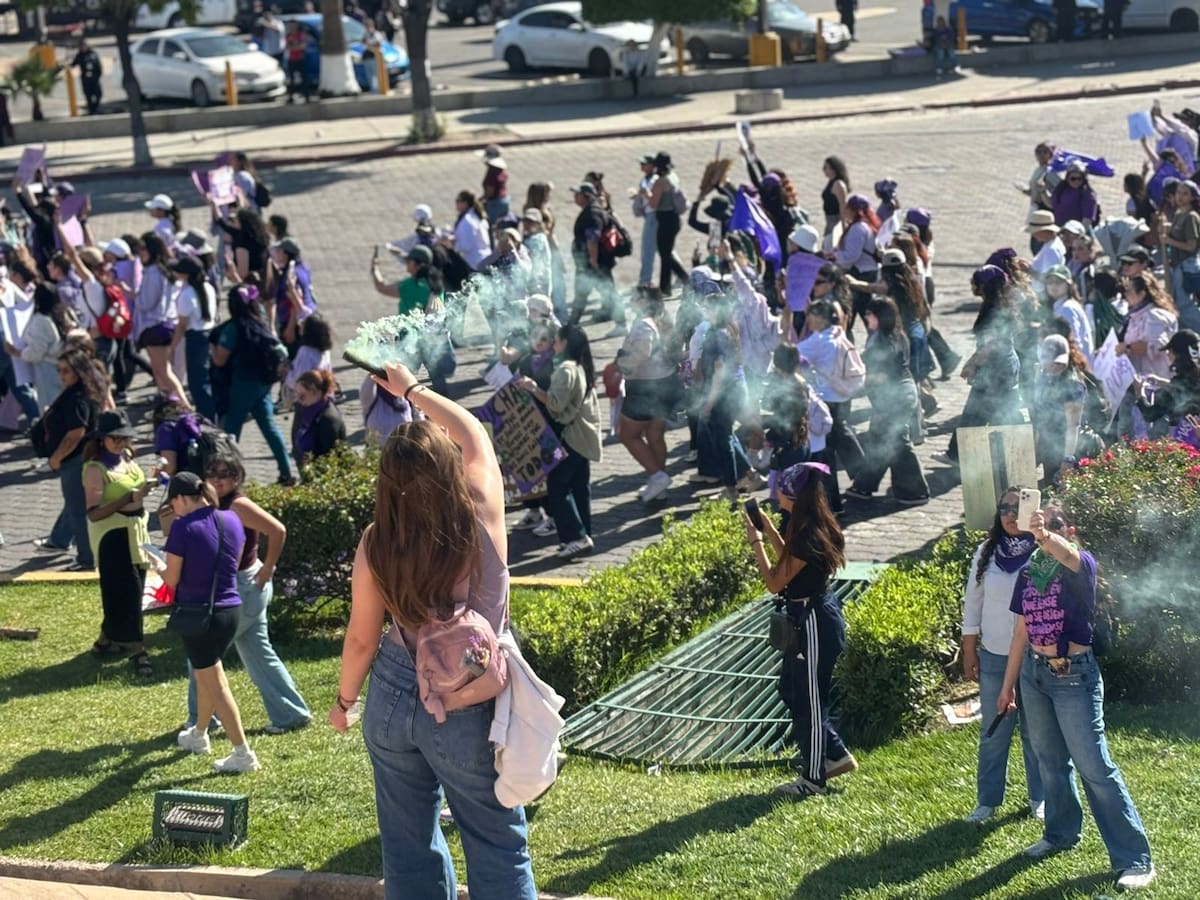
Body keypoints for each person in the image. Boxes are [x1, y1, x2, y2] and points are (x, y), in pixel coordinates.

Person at [330, 360, 538, 900]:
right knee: (496, 843)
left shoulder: (378, 541)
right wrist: (413, 390)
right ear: (449, 468)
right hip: (469, 697)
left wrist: (343, 701)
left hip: (395, 695)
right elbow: (473, 435)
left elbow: (360, 638)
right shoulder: (481, 512)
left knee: (407, 845)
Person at [998, 503, 1155, 890]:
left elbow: (1066, 555)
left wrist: (1043, 535)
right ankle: (1060, 833)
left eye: (1054, 523)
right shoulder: (1030, 571)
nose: (1045, 528)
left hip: (1073, 677)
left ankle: (1135, 859)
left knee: (1095, 767)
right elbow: (1021, 631)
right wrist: (1007, 686)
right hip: (1035, 676)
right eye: (1040, 522)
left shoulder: (1080, 565)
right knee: (1049, 760)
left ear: (1067, 529)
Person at [746, 460, 856, 797]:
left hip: (813, 622)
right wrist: (768, 528)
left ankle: (813, 779)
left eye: (781, 488)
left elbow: (775, 581)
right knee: (791, 691)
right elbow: (789, 563)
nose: (776, 492)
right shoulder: (806, 522)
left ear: (792, 494)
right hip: (808, 617)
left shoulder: (807, 534)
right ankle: (835, 755)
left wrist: (756, 543)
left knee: (809, 699)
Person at [182, 449, 311, 733]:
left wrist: (268, 569)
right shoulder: (212, 504)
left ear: (238, 477)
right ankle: (291, 714)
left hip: (244, 586)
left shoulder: (237, 505)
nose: (218, 480)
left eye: (226, 475)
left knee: (201, 655)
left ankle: (200, 721)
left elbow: (277, 531)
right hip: (242, 587)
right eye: (213, 474)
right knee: (258, 654)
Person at [165, 472, 261, 774]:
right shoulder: (232, 519)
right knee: (207, 672)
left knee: (215, 683)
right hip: (230, 610)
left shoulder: (182, 528)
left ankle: (242, 753)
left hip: (199, 615)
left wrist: (158, 564)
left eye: (173, 504)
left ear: (180, 499)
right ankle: (199, 734)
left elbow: (171, 578)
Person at [961, 488, 1045, 824]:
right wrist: (969, 647)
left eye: (1017, 507)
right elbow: (973, 602)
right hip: (994, 655)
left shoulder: (1043, 551)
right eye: (1004, 507)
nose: (1010, 514)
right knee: (994, 731)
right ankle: (987, 800)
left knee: (1036, 732)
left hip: (1036, 657)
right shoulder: (987, 551)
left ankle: (1041, 798)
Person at [517, 324, 601, 559]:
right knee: (579, 488)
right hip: (583, 437)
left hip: (569, 437)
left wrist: (534, 388)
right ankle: (583, 534)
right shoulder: (581, 366)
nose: (554, 343)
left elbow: (554, 406)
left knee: (558, 490)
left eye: (557, 340)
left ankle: (576, 537)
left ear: (565, 343)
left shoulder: (566, 369)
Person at [82, 411, 154, 676]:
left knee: (135, 586)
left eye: (125, 437)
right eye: (115, 438)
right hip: (112, 536)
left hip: (135, 531)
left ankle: (105, 640)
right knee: (129, 592)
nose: (121, 442)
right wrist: (129, 497)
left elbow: (136, 491)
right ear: (101, 439)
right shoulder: (94, 469)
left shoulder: (128, 458)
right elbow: (93, 512)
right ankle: (137, 649)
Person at [845, 297, 929, 504]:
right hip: (895, 396)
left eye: (869, 314)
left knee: (896, 441)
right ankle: (864, 485)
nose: (866, 318)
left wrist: (850, 386)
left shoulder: (885, 342)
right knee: (879, 439)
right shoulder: (890, 336)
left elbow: (878, 375)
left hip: (896, 398)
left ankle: (915, 491)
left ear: (879, 317)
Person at [211, 282, 295, 485]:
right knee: (270, 428)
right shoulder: (261, 324)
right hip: (263, 385)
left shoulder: (233, 329)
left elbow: (220, 360)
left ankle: (229, 477)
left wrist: (212, 350)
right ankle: (286, 473)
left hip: (242, 385)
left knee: (231, 431)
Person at [939, 266, 1023, 465]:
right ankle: (959, 454)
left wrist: (972, 363)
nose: (972, 286)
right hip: (1002, 367)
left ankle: (962, 455)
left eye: (975, 282)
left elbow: (991, 344)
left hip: (996, 369)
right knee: (990, 412)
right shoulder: (997, 305)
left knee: (980, 413)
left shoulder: (994, 309)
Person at [34, 348, 103, 569]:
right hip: (83, 458)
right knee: (74, 504)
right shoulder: (85, 391)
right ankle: (59, 540)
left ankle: (87, 559)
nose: (61, 375)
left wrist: (55, 458)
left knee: (78, 511)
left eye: (66, 371)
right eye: (59, 370)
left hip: (75, 461)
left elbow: (75, 434)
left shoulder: (76, 398)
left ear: (79, 372)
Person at [796, 298, 865, 512]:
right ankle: (865, 476)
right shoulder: (837, 332)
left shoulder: (819, 341)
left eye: (811, 316)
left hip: (827, 400)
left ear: (819, 318)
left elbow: (792, 353)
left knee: (826, 455)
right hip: (843, 398)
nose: (808, 320)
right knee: (842, 436)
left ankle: (832, 503)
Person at [617, 287, 677, 504]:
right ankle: (659, 484)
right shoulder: (661, 319)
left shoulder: (644, 325)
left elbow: (642, 352)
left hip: (645, 387)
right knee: (655, 434)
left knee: (627, 434)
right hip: (664, 383)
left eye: (635, 297)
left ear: (643, 301)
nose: (631, 300)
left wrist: (621, 364)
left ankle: (657, 476)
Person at [371, 244, 456, 394]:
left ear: (416, 264)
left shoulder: (410, 286)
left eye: (409, 261)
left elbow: (381, 287)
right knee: (438, 381)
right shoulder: (436, 284)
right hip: (431, 339)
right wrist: (401, 253)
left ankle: (407, 408)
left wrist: (374, 269)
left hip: (410, 341)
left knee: (404, 380)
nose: (406, 263)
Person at [695, 293, 753, 499]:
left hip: (724, 394)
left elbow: (719, 372)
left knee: (722, 440)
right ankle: (749, 474)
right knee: (728, 435)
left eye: (707, 307)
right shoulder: (728, 328)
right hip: (736, 389)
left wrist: (709, 403)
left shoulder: (716, 335)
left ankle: (730, 489)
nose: (703, 310)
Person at [133, 232, 189, 405]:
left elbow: (146, 303)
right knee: (159, 372)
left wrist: (135, 296)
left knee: (164, 372)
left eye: (143, 248)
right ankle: (169, 405)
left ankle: (185, 408)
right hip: (161, 326)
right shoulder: (161, 270)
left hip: (155, 326)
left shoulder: (153, 273)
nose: (140, 252)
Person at [4, 280, 73, 409]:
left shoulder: (41, 321)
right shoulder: (62, 314)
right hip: (63, 364)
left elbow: (36, 352)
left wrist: (16, 352)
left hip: (48, 369)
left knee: (51, 408)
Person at [1031, 335, 1085, 485]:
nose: (1054, 366)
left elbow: (1073, 426)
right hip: (1048, 445)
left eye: (1057, 362)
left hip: (1065, 447)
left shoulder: (1072, 385)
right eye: (1049, 361)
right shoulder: (1044, 378)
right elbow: (1040, 413)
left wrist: (1068, 459)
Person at [568, 182, 622, 332]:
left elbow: (593, 238)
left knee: (606, 293)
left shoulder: (592, 213)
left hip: (593, 264)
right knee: (590, 294)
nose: (575, 197)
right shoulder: (593, 210)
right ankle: (570, 326)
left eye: (577, 194)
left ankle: (621, 324)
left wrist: (593, 260)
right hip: (592, 263)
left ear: (586, 196)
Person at [168, 256, 216, 421]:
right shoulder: (208, 288)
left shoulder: (186, 295)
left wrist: (172, 347)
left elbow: (182, 325)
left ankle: (206, 418)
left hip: (195, 338)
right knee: (206, 378)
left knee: (197, 383)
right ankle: (210, 414)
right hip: (209, 334)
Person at [1116, 273, 1177, 380]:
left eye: (1129, 291)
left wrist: (1127, 347)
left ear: (1142, 294)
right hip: (1141, 378)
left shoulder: (1154, 316)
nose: (1125, 294)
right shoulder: (1134, 317)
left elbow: (1157, 346)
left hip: (1157, 378)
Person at [1136, 329, 1200, 430]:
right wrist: (1164, 382)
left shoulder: (1177, 386)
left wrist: (1139, 393)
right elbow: (1186, 388)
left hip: (1187, 441)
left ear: (1179, 354)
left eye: (1170, 351)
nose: (1167, 354)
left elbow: (1150, 414)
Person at [292, 368, 346, 466]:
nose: (298, 400)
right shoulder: (304, 409)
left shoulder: (328, 419)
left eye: (302, 396)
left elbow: (329, 458)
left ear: (315, 391)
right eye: (296, 394)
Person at [632, 153, 659, 288]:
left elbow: (655, 199)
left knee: (648, 249)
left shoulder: (655, 180)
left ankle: (645, 280)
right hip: (648, 215)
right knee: (663, 249)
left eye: (644, 164)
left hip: (653, 216)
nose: (642, 166)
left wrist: (644, 193)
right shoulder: (645, 179)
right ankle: (681, 275)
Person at [451, 191, 492, 270]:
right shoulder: (477, 216)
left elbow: (466, 246)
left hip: (474, 263)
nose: (456, 203)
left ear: (465, 203)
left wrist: (452, 243)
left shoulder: (467, 221)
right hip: (485, 259)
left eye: (458, 201)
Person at [478, 144, 510, 225]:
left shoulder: (491, 172)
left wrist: (480, 201)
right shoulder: (500, 170)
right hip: (504, 200)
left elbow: (490, 192)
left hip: (494, 203)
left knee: (492, 226)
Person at [820, 157, 851, 240]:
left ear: (833, 169)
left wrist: (843, 225)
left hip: (835, 219)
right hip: (829, 219)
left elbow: (842, 205)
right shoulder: (831, 182)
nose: (823, 170)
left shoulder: (838, 184)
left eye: (826, 167)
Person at [70, 38, 103, 115]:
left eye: (84, 45)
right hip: (85, 79)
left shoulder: (93, 54)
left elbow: (98, 65)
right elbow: (73, 64)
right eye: (81, 46)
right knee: (88, 96)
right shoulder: (79, 55)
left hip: (94, 78)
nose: (83, 47)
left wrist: (98, 75)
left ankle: (95, 108)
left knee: (98, 94)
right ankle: (91, 111)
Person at [284, 19, 312, 104]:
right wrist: (295, 46)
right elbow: (288, 47)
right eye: (290, 26)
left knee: (304, 79)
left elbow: (303, 46)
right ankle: (291, 97)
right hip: (292, 59)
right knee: (291, 80)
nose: (292, 27)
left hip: (301, 59)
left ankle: (307, 96)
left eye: (293, 25)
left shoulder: (301, 34)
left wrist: (295, 46)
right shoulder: (288, 35)